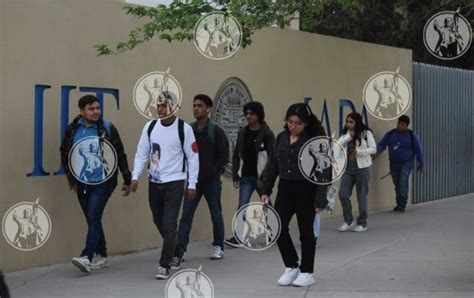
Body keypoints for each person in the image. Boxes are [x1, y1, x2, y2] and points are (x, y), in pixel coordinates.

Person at [60, 95, 132, 273]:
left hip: (103, 182)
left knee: (93, 216)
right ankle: (102, 254)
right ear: (82, 111)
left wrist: (127, 178)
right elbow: (65, 153)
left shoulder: (107, 128)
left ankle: (86, 256)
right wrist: (71, 178)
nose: (96, 112)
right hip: (82, 182)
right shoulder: (73, 129)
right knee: (93, 219)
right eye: (92, 109)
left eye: (98, 108)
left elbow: (120, 153)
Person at [131, 93, 199, 280]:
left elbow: (193, 158)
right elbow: (141, 153)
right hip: (154, 183)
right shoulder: (150, 127)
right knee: (158, 220)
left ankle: (164, 264)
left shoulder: (184, 129)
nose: (159, 109)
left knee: (169, 224)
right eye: (158, 105)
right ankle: (176, 250)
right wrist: (135, 176)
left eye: (163, 106)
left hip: (175, 182)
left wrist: (192, 184)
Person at [261, 103, 329, 287]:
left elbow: (324, 171)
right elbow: (272, 165)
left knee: (306, 233)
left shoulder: (316, 141)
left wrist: (320, 198)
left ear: (306, 123)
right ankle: (291, 265)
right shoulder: (281, 138)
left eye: (298, 123)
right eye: (290, 122)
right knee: (276, 227)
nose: (293, 126)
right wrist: (266, 190)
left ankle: (307, 272)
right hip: (285, 188)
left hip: (307, 189)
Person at [171, 94, 229, 269]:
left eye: (200, 105)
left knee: (216, 214)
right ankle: (180, 250)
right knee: (186, 216)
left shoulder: (215, 131)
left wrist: (213, 171)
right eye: (194, 105)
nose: (196, 108)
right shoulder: (188, 130)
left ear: (208, 109)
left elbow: (224, 156)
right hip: (192, 182)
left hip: (211, 182)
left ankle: (218, 245)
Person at [225, 101, 275, 248]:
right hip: (246, 177)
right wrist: (235, 176)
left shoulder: (267, 134)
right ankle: (239, 237)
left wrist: (264, 178)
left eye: (251, 113)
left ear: (258, 115)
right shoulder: (242, 132)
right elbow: (235, 155)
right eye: (246, 113)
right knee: (242, 206)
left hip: (261, 178)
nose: (248, 116)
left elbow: (272, 159)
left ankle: (277, 231)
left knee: (266, 206)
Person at [374, 115, 424, 213]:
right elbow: (382, 144)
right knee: (397, 184)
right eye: (398, 123)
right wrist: (377, 152)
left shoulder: (411, 135)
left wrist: (421, 163)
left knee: (402, 182)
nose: (399, 125)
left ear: (406, 125)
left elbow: (419, 150)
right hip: (393, 163)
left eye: (402, 124)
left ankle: (402, 205)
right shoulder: (391, 134)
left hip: (406, 163)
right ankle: (398, 203)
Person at [337, 112, 376, 232]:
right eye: (347, 122)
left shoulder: (366, 133)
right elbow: (337, 147)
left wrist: (359, 152)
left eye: (351, 122)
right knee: (343, 194)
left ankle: (362, 222)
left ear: (357, 122)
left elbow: (373, 148)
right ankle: (348, 220)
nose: (348, 124)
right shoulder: (345, 134)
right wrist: (348, 137)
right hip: (348, 169)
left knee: (361, 197)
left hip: (362, 169)